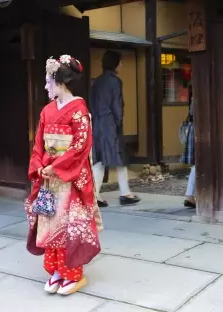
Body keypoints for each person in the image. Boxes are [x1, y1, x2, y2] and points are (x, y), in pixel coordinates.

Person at [25, 55, 103, 296]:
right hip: (49, 178)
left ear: (60, 82)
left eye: (49, 81)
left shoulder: (79, 109)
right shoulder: (47, 111)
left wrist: (56, 166)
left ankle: (74, 274)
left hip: (68, 177)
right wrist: (39, 166)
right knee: (50, 224)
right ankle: (57, 271)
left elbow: (81, 145)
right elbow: (39, 144)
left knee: (70, 225)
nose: (46, 86)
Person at [89, 50, 140, 207]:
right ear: (115, 63)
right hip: (110, 123)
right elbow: (117, 106)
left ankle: (95, 195)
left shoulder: (96, 82)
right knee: (120, 158)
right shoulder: (115, 81)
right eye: (121, 62)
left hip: (96, 123)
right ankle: (125, 193)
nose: (122, 65)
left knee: (99, 161)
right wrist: (118, 123)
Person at [182, 85, 195, 208]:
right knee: (198, 165)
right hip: (199, 127)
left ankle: (190, 195)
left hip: (195, 126)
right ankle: (190, 195)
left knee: (196, 165)